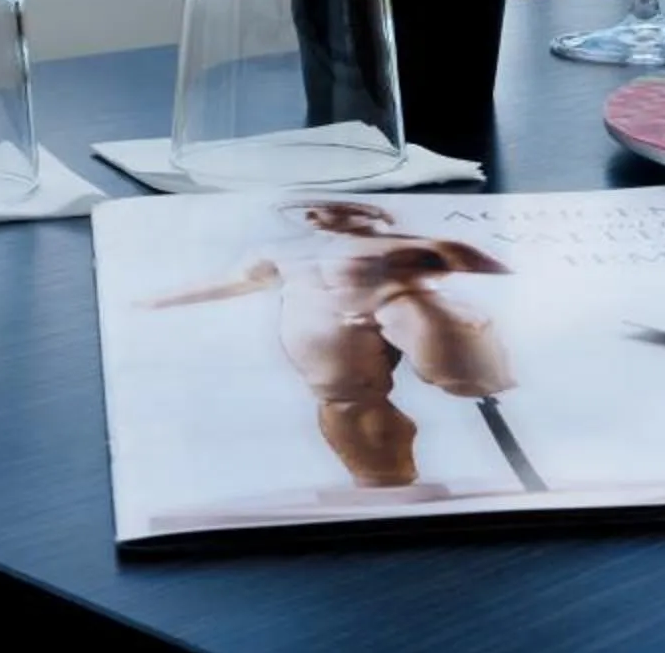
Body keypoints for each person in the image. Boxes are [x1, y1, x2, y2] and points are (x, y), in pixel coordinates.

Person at [143, 199, 519, 490]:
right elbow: (237, 282)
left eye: (327, 206)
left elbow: (514, 271)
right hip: (319, 329)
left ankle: (470, 369)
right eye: (311, 209)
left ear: (368, 210)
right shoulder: (278, 249)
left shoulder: (427, 245)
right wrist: (156, 300)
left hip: (403, 310)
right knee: (347, 402)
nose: (315, 214)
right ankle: (385, 483)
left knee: (447, 348)